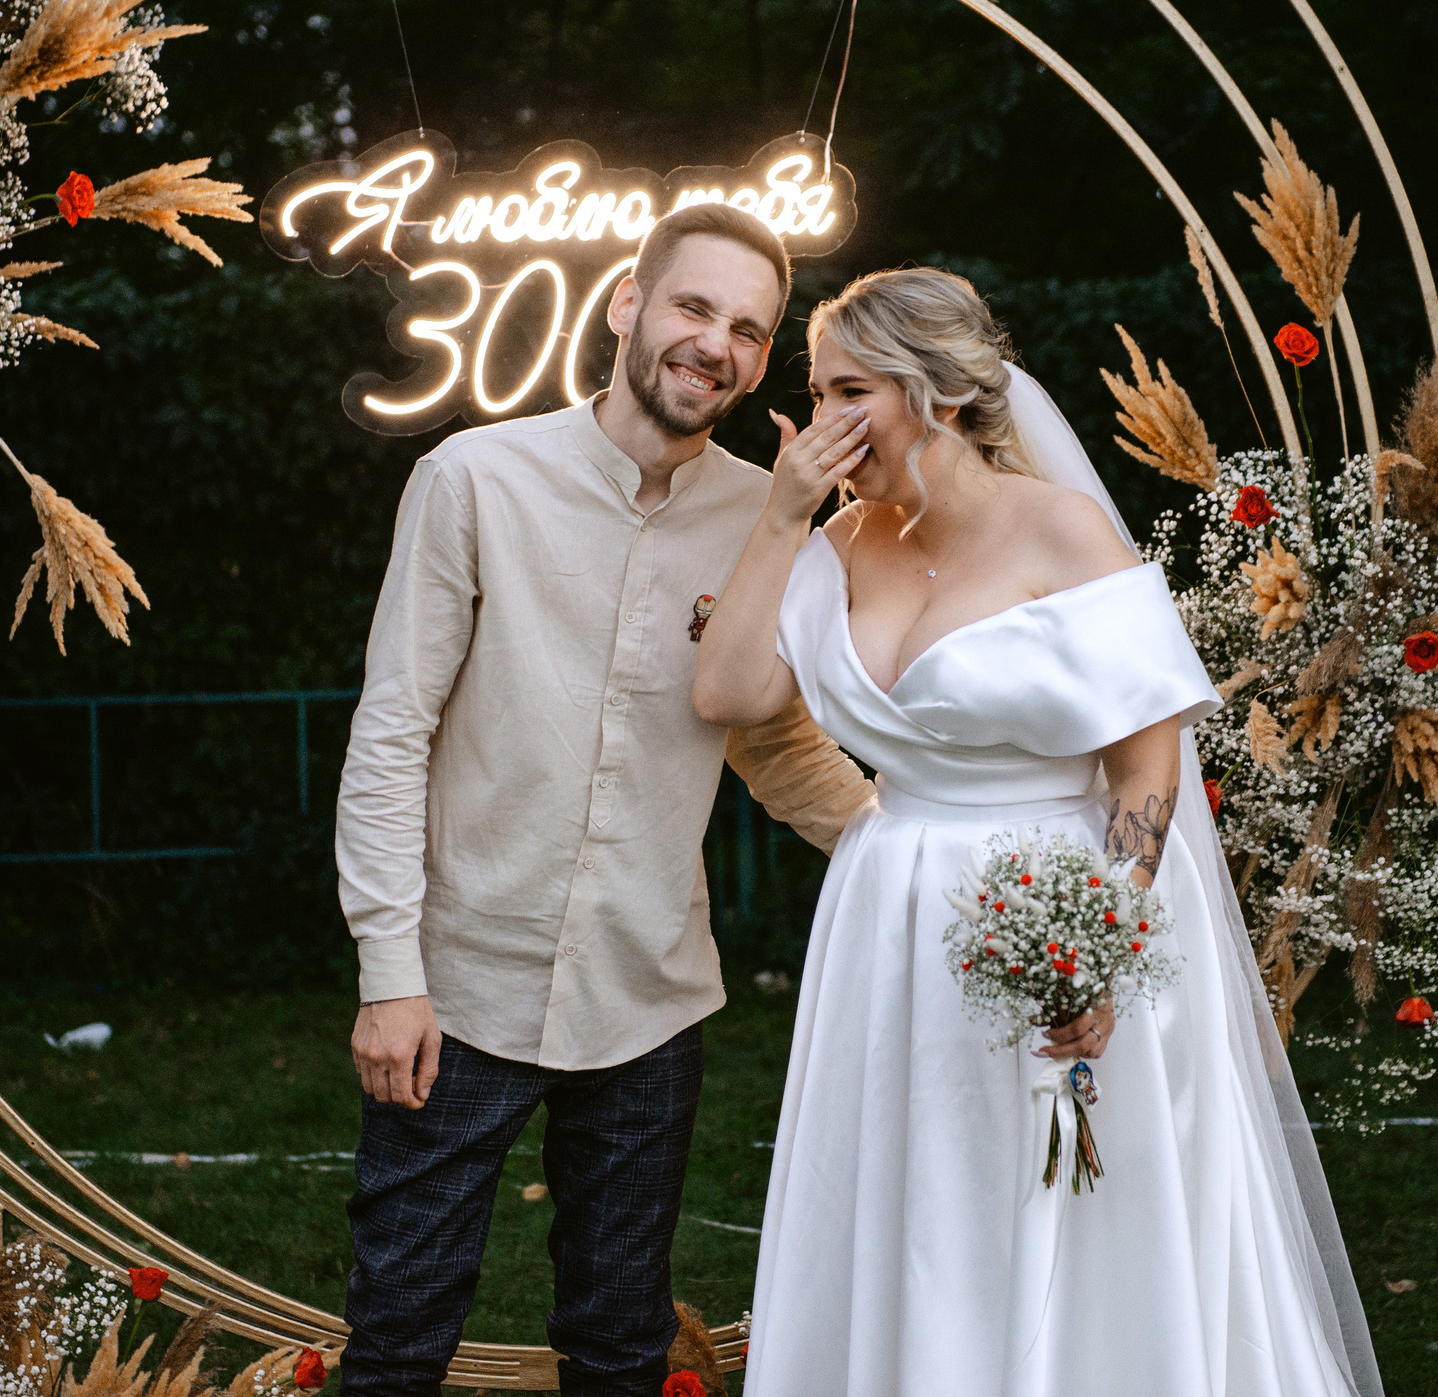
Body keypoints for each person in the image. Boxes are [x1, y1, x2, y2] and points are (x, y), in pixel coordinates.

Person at [692, 268, 1384, 1397]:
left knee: (1072, 1199)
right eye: (816, 393)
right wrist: (780, 517)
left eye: (848, 390)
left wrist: (1100, 942)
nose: (821, 423)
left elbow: (1145, 759)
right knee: (919, 1190)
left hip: (1056, 902)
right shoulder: (833, 542)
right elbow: (724, 693)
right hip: (892, 908)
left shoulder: (1063, 533)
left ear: (939, 392)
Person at [331, 203, 877, 1396]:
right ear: (628, 303)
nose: (715, 344)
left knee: (624, 1345)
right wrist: (388, 970)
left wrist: (914, 848)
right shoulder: (474, 477)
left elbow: (772, 740)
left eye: (748, 326)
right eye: (694, 306)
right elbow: (391, 734)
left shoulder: (766, 515)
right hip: (457, 987)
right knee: (399, 1339)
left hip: (649, 996)